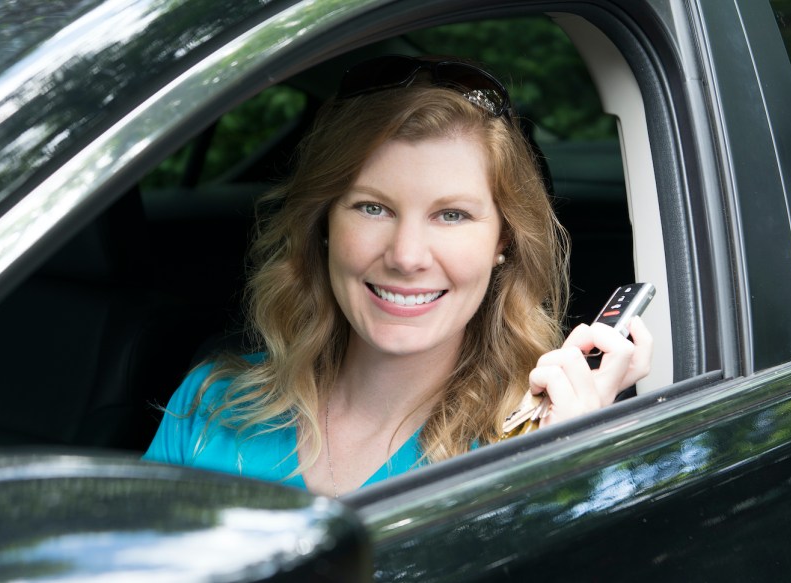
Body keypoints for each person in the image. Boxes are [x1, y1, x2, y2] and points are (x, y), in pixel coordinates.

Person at [143, 55, 653, 497]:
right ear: (323, 225)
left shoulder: (532, 438)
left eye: (451, 214)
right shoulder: (214, 402)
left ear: (504, 242)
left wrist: (564, 477)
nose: (407, 257)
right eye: (372, 208)